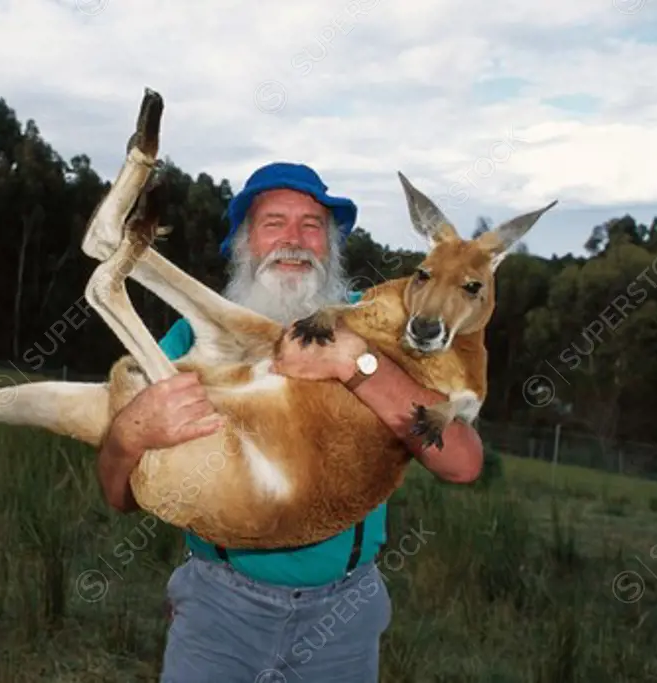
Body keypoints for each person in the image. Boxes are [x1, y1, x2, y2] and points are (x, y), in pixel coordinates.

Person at [95, 162, 484, 682]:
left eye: (312, 225)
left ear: (333, 245)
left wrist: (356, 364)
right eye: (273, 223)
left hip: (343, 618)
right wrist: (128, 436)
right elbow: (117, 496)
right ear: (243, 242)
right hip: (219, 609)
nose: (294, 241)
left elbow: (461, 461)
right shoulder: (190, 342)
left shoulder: (381, 331)